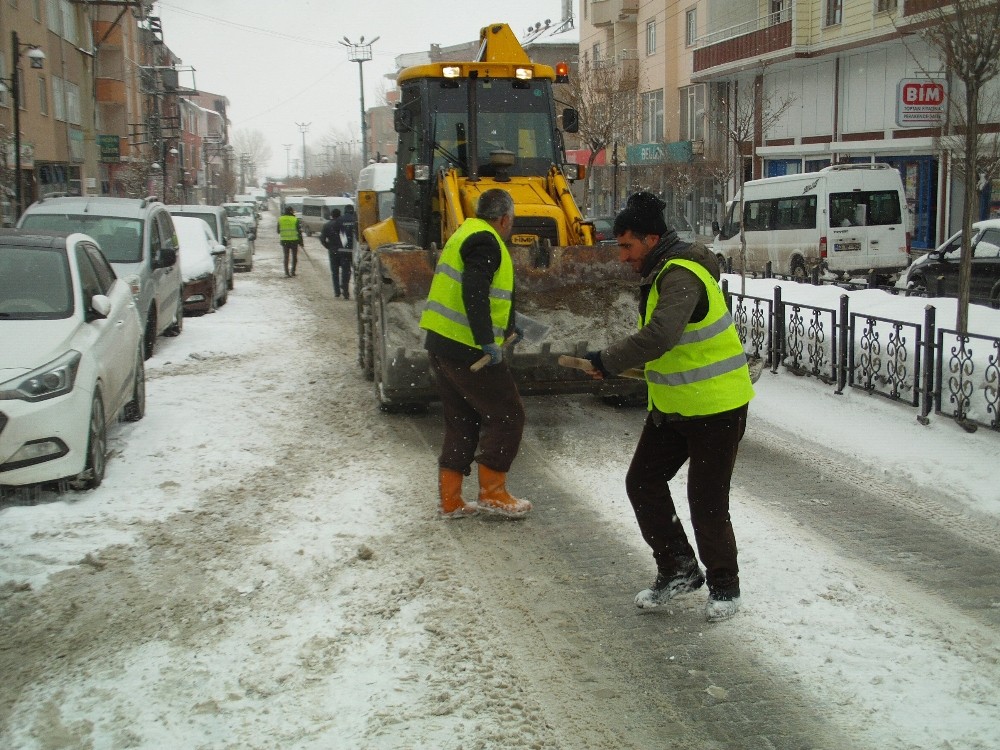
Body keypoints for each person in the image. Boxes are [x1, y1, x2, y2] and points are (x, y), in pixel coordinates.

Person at [584, 192, 754, 623]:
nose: (623, 256)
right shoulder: (662, 272)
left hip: (717, 407)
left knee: (706, 500)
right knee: (642, 482)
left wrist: (608, 359)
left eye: (628, 246)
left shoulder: (681, 276)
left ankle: (725, 586)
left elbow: (661, 336)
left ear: (652, 239)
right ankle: (679, 568)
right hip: (674, 407)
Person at [418, 188, 530, 520]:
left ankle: (451, 500)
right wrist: (486, 341)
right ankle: (493, 494)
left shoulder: (464, 233)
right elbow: (474, 291)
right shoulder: (486, 241)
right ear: (505, 218)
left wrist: (510, 326)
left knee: (462, 421)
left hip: (442, 344)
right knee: (508, 415)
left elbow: (475, 292)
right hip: (469, 350)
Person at [319, 208, 352, 299]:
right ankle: (345, 291)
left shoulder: (327, 225)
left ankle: (337, 292)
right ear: (340, 214)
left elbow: (322, 239)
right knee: (345, 271)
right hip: (344, 251)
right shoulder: (343, 224)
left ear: (332, 215)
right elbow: (348, 237)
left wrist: (328, 246)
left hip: (333, 251)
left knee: (335, 272)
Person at [277, 205, 304, 277]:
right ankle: (293, 271)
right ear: (291, 211)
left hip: (284, 241)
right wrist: (301, 242)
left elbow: (278, 231)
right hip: (294, 241)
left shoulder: (280, 219)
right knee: (294, 257)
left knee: (286, 257)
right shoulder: (295, 219)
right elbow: (299, 232)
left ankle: (286, 272)